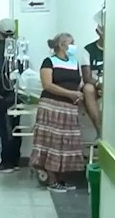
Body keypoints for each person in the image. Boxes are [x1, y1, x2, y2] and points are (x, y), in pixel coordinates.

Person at [31, 33, 87, 191]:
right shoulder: (49, 62)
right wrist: (69, 93)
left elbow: (78, 82)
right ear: (62, 45)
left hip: (69, 109)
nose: (73, 45)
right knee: (51, 143)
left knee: (66, 145)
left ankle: (62, 179)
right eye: (71, 42)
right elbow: (47, 85)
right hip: (52, 107)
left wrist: (79, 93)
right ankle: (52, 179)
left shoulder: (74, 62)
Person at [0, 18, 22, 173]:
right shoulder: (18, 49)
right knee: (14, 129)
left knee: (5, 130)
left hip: (2, 97)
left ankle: (8, 162)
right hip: (16, 95)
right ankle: (15, 160)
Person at [80, 20, 104, 133]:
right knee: (88, 88)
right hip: (95, 85)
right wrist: (99, 85)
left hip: (114, 85)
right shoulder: (89, 50)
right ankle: (99, 129)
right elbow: (87, 78)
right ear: (98, 32)